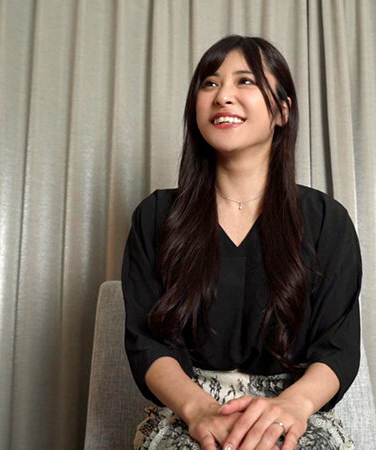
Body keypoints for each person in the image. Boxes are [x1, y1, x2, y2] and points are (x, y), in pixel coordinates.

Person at [122, 35, 362, 450]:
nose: (223, 96)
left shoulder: (327, 221)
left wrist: (293, 405)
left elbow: (338, 346)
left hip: (295, 407)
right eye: (210, 83)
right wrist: (199, 410)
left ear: (282, 111)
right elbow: (146, 342)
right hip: (187, 410)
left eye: (245, 81)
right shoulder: (156, 216)